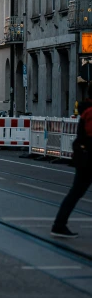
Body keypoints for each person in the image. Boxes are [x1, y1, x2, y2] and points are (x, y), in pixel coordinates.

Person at [51, 99, 92, 238]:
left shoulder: (87, 111)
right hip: (88, 160)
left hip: (85, 159)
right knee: (75, 193)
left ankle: (59, 224)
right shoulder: (90, 112)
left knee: (75, 193)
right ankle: (59, 225)